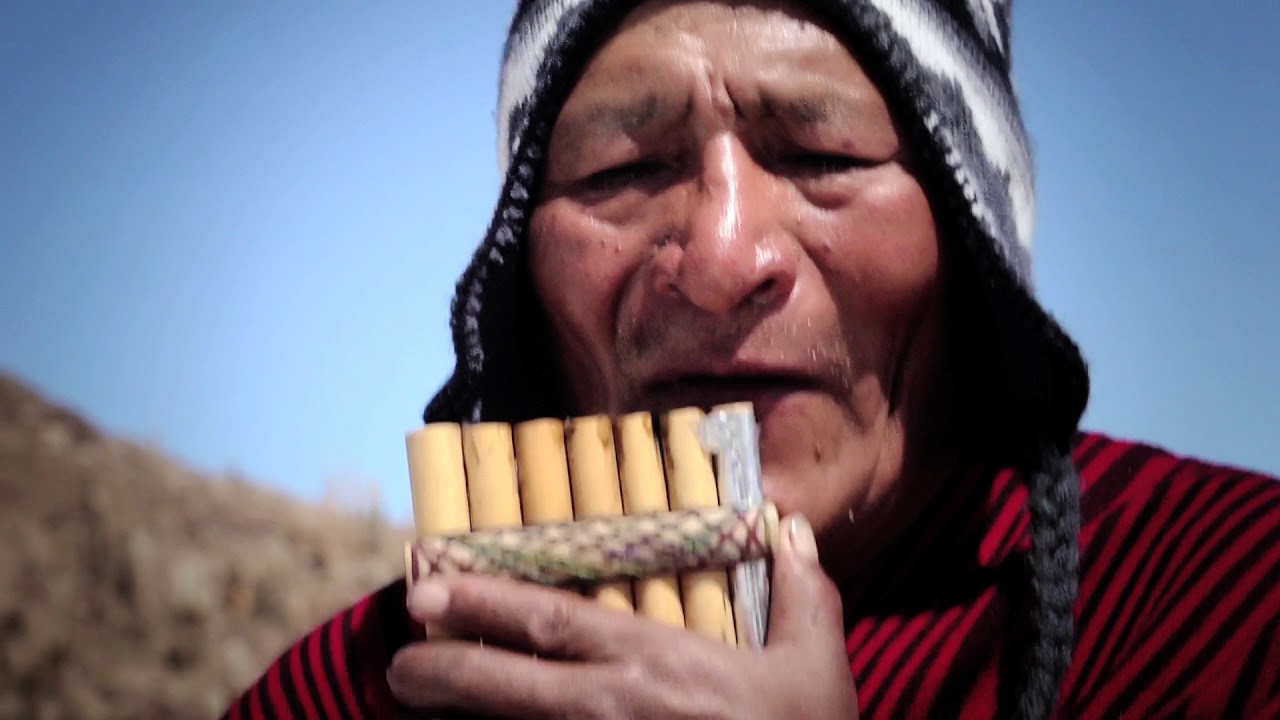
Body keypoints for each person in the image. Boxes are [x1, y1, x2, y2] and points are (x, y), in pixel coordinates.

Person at [223, 1, 1280, 718]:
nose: (721, 260)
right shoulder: (362, 687)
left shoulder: (1230, 607)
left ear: (970, 242)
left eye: (821, 156)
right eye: (619, 169)